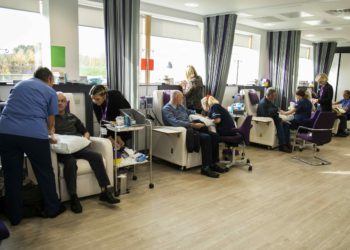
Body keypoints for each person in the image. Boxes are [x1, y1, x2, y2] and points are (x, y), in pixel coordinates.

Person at [0, 67, 65, 225]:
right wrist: (50, 133)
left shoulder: (19, 85)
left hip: (5, 132)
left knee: (11, 176)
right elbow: (51, 120)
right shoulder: (50, 91)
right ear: (49, 79)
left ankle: (15, 217)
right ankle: (52, 209)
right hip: (33, 134)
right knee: (44, 172)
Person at [55, 92, 119, 213]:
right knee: (70, 163)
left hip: (77, 146)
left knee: (96, 156)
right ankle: (74, 197)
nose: (60, 103)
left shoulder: (72, 117)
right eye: (57, 101)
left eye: (63, 101)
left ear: (66, 103)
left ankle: (105, 191)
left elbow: (85, 132)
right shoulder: (50, 118)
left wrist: (85, 139)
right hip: (63, 150)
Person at [162, 90, 226, 178]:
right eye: (181, 98)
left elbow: (189, 111)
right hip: (185, 130)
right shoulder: (167, 109)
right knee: (206, 137)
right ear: (176, 97)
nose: (182, 100)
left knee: (214, 136)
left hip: (192, 128)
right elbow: (174, 122)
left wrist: (200, 115)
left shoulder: (180, 106)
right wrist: (192, 125)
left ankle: (213, 163)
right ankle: (205, 168)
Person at [257, 87, 292, 153]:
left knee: (286, 124)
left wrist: (278, 113)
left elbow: (275, 109)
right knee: (280, 124)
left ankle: (287, 143)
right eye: (274, 95)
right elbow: (265, 115)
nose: (275, 97)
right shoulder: (263, 103)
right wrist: (278, 117)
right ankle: (282, 145)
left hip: (273, 118)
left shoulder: (269, 102)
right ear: (270, 95)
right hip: (266, 120)